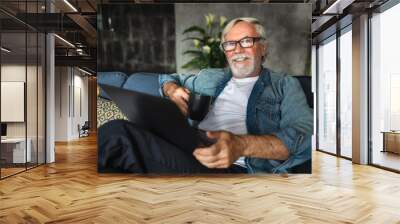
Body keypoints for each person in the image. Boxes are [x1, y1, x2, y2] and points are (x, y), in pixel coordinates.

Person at [98, 17, 313, 174]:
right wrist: (171, 89)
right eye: (230, 44)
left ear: (263, 48)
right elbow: (168, 78)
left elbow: (304, 136)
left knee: (117, 136)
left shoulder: (284, 85)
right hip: (187, 144)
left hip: (233, 168)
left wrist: (242, 145)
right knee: (115, 131)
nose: (237, 50)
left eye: (247, 41)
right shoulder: (211, 77)